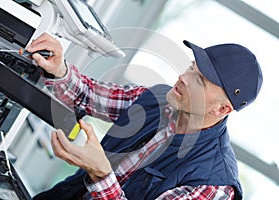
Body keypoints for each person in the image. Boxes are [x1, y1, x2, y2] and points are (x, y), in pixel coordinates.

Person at [27, 33, 263, 200]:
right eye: (192, 67)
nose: (183, 77)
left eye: (199, 81)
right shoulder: (155, 99)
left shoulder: (213, 186)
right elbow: (87, 95)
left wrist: (101, 174)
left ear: (221, 109)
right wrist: (59, 69)